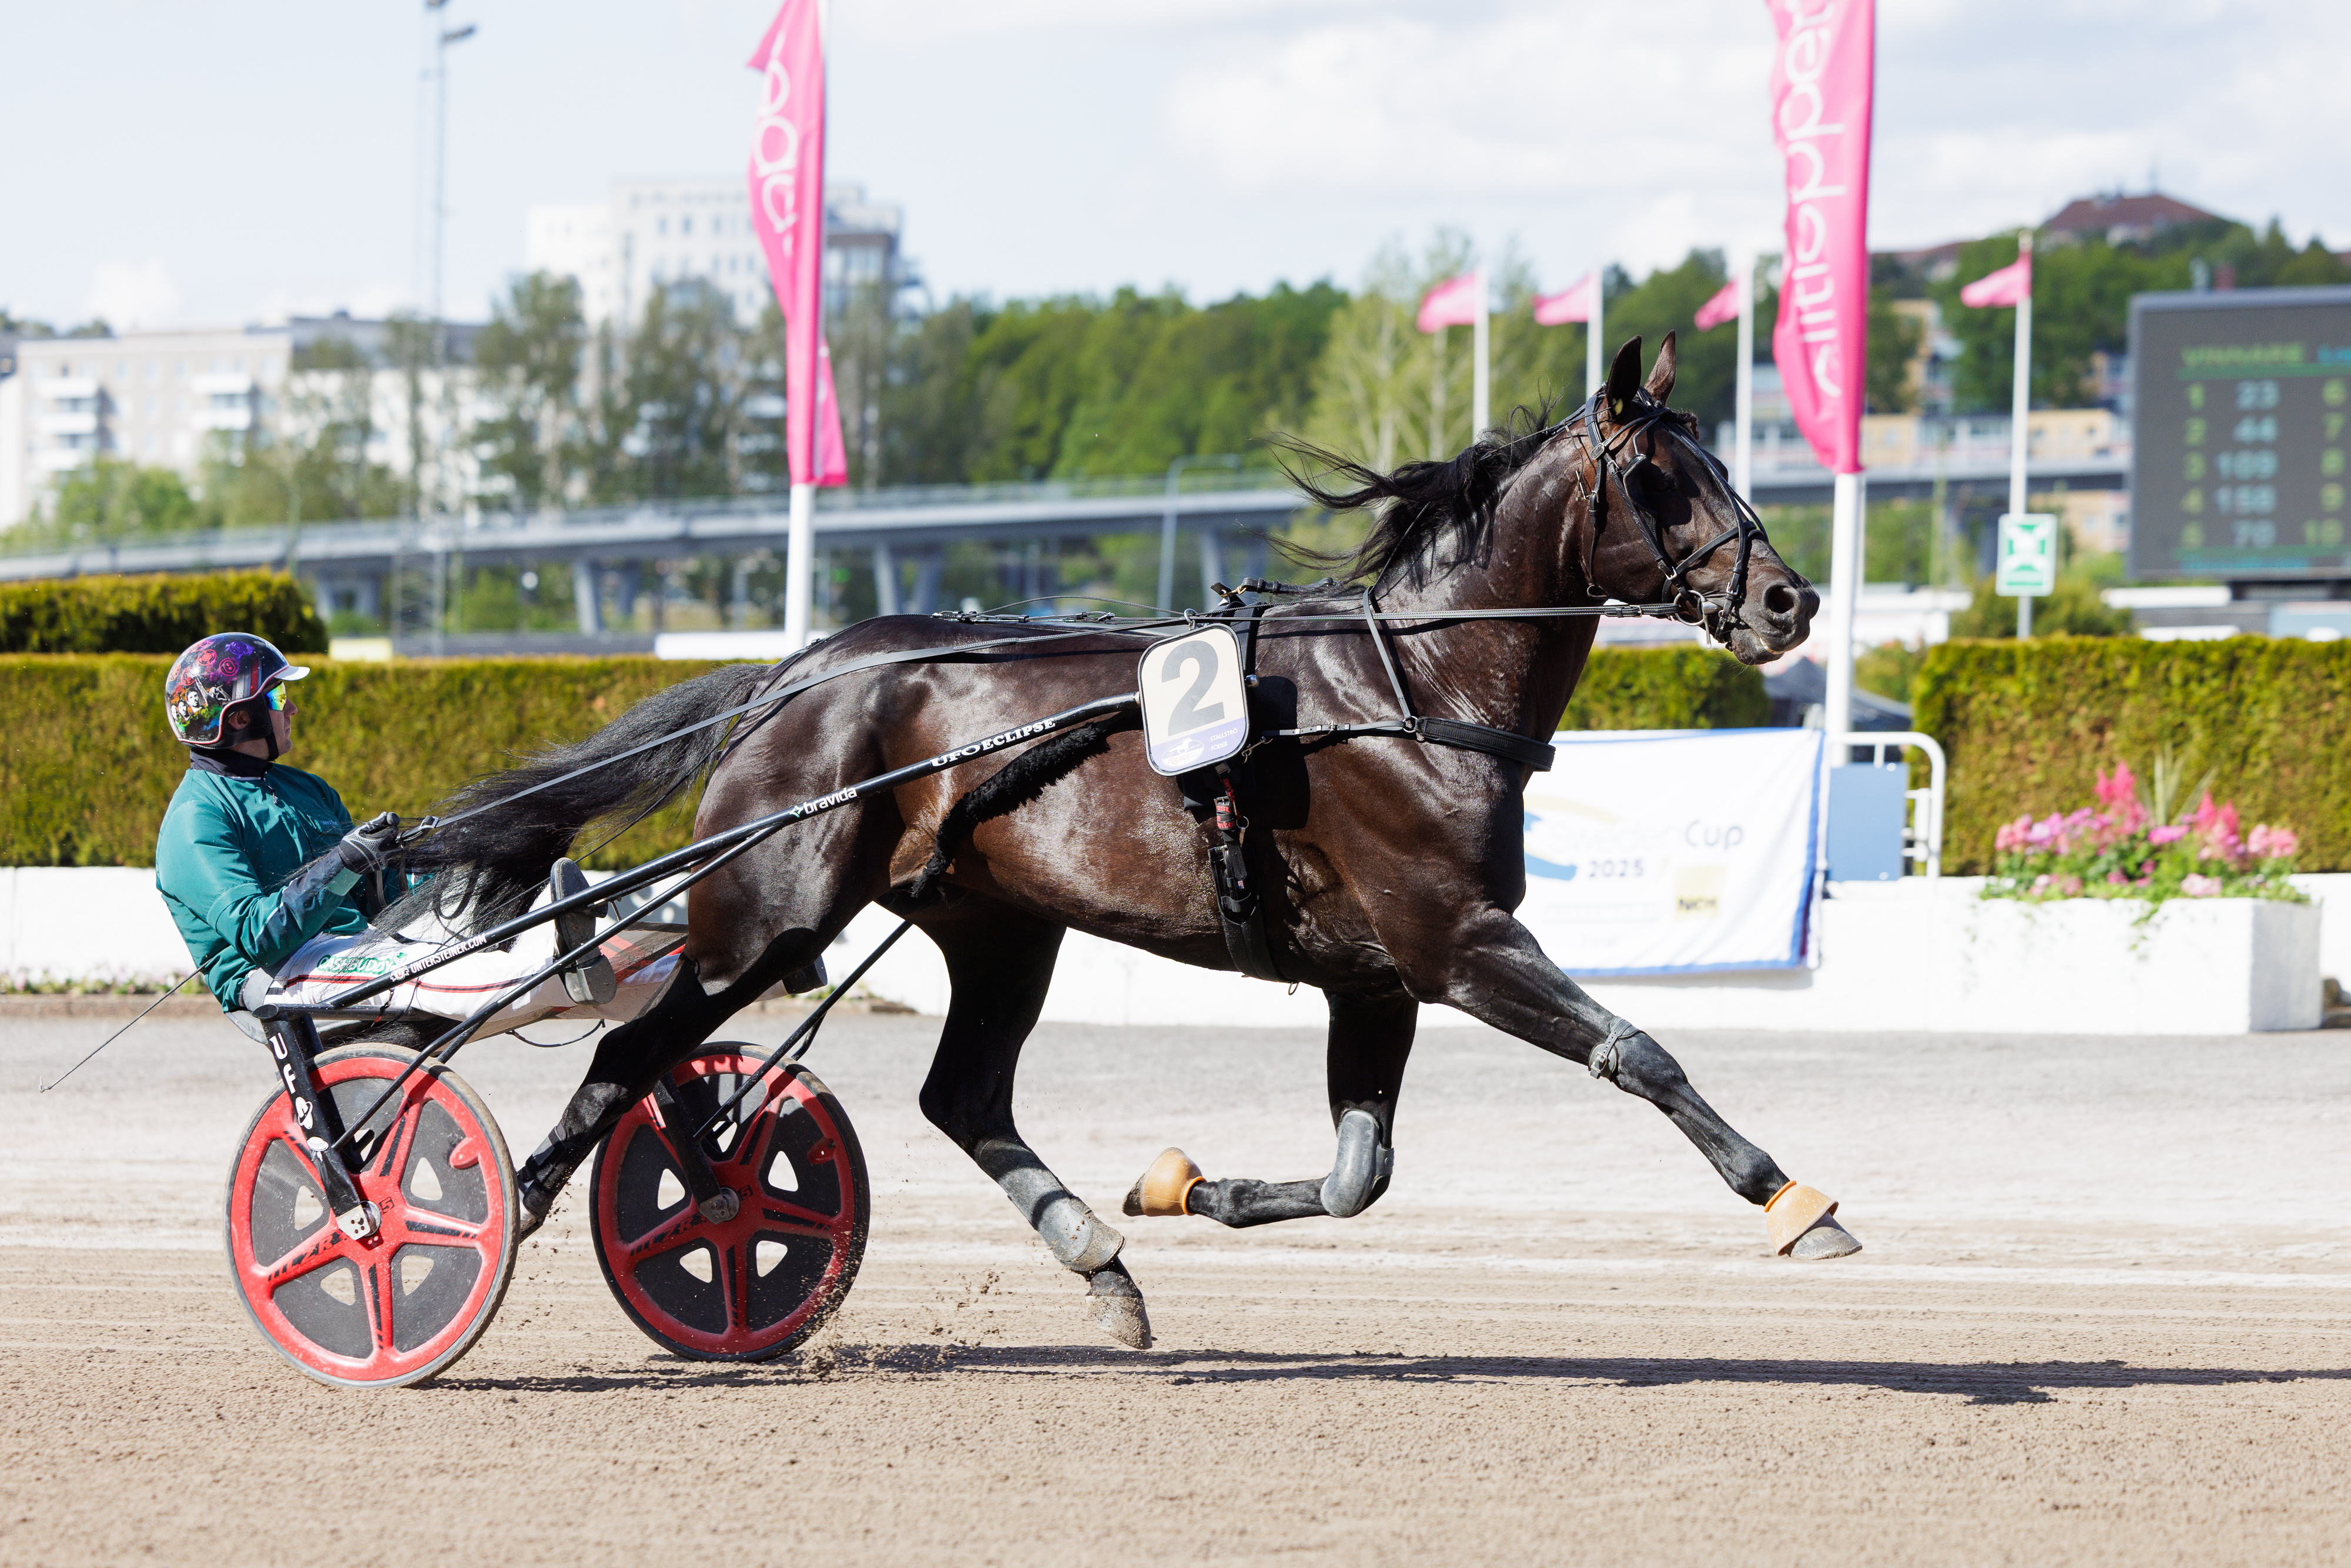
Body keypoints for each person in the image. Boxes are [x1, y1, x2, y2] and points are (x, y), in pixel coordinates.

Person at [154, 632, 644, 1028]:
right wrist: (344, 860)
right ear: (239, 717)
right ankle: (554, 965)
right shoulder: (196, 818)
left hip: (354, 944)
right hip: (278, 972)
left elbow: (380, 898)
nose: (292, 708)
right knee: (433, 972)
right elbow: (261, 936)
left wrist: (443, 859)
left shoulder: (305, 788)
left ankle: (627, 962)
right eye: (279, 696)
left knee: (488, 900)